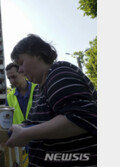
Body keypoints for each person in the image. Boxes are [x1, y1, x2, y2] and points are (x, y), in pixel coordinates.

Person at [6, 34, 97, 166]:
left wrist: (26, 134)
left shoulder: (59, 73)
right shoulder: (39, 88)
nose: (20, 70)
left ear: (37, 54)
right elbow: (37, 122)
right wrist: (19, 128)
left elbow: (82, 118)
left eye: (21, 63)